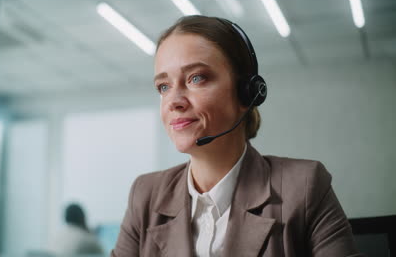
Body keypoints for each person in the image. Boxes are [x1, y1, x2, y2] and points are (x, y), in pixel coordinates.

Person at [111, 15, 362, 256]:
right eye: (163, 87)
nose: (173, 101)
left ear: (246, 93)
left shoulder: (305, 187)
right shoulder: (145, 195)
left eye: (196, 78)